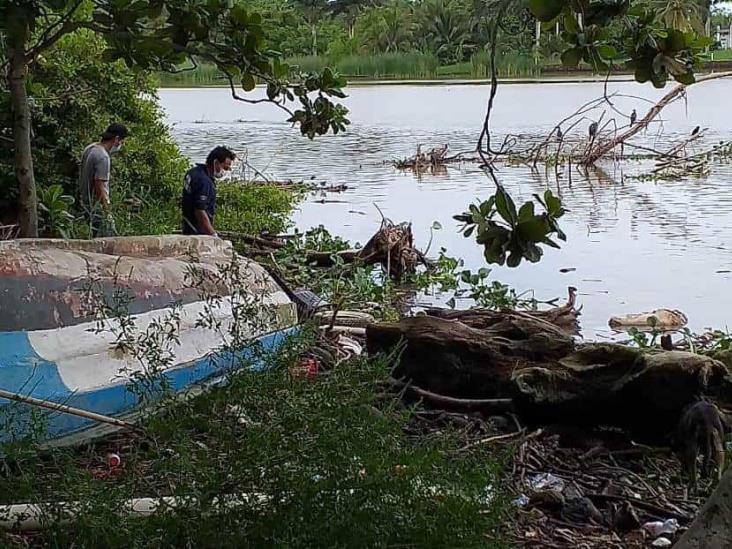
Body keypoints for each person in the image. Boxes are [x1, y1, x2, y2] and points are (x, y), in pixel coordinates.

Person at [78, 123, 128, 237]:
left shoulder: (90, 148)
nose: (121, 144)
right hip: (97, 207)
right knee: (106, 240)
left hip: (86, 203)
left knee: (94, 236)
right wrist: (107, 212)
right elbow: (99, 185)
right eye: (122, 141)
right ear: (116, 139)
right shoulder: (103, 157)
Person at [181, 146, 236, 236]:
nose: (225, 171)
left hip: (187, 225)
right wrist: (212, 233)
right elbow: (200, 210)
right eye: (225, 168)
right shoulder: (204, 182)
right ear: (216, 163)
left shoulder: (193, 172)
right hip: (197, 231)